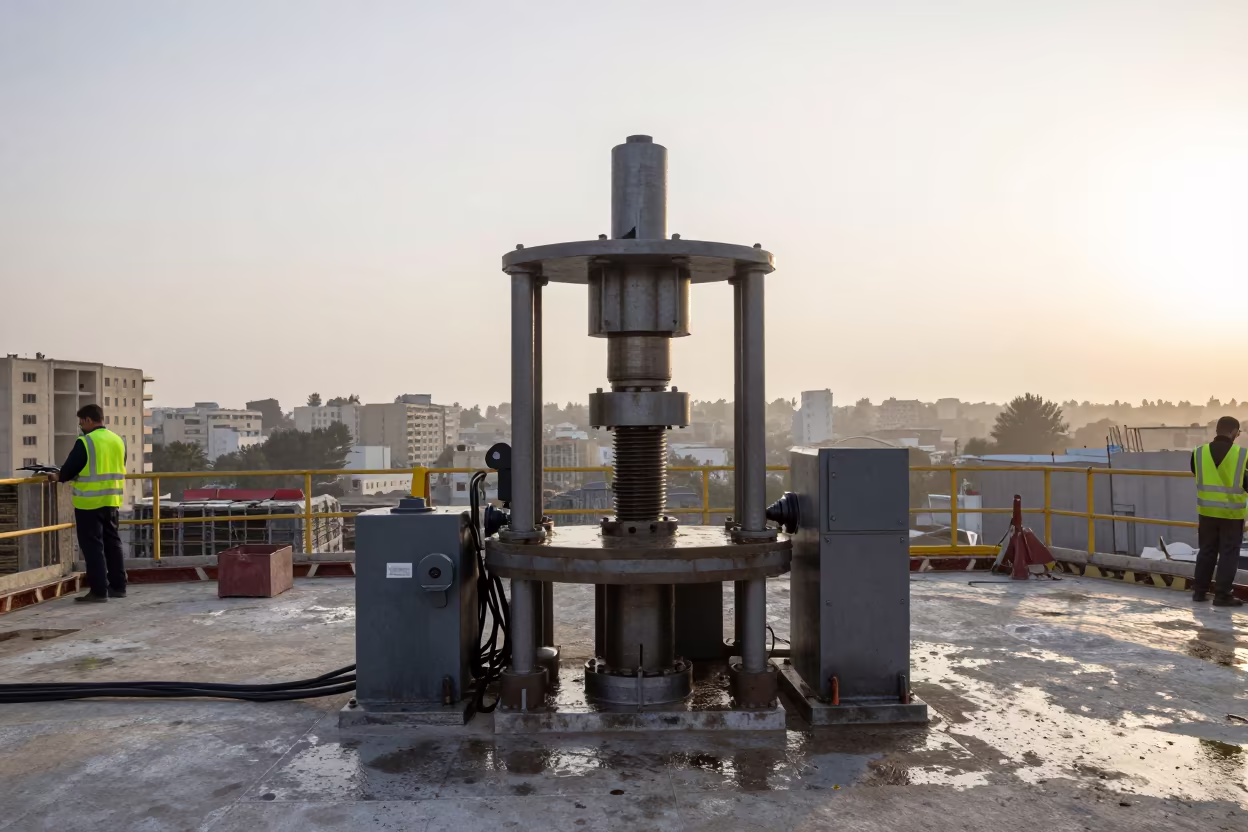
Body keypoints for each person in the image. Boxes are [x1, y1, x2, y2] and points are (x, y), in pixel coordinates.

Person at [47, 404, 128, 602]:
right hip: (112, 499)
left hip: (89, 503)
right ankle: (118, 587)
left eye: (81, 422)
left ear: (89, 420)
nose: (80, 426)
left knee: (93, 547)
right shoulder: (118, 440)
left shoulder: (86, 441)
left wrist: (57, 476)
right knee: (113, 543)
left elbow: (69, 469)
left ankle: (99, 591)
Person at [1189, 416, 1247, 607]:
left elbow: (1196, 473)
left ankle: (1199, 591)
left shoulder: (1198, 453)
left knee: (1206, 551)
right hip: (1231, 514)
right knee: (1228, 554)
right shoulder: (1242, 455)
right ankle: (1222, 595)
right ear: (1233, 432)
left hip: (1206, 512)